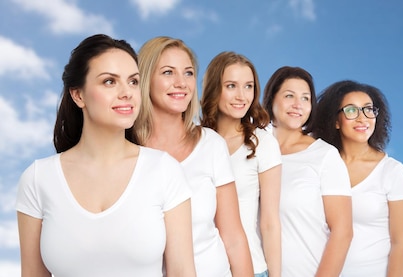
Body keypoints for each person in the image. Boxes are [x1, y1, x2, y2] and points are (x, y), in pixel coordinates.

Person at [15, 34, 196, 277]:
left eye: (133, 82)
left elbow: (182, 271)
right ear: (78, 95)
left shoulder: (164, 171)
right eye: (110, 82)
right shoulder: (38, 179)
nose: (127, 93)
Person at [135, 37, 253, 277]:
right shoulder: (126, 150)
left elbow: (234, 238)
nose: (181, 83)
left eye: (188, 73)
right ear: (145, 80)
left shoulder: (211, 145)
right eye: (168, 72)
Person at [311, 80, 403, 277]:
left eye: (368, 110)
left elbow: (401, 243)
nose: (362, 119)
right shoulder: (320, 164)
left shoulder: (392, 171)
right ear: (335, 121)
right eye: (351, 110)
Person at [261, 66, 353, 277]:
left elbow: (343, 232)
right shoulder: (254, 151)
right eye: (289, 96)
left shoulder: (324, 156)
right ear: (271, 99)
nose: (297, 105)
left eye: (305, 98)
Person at [200, 51, 282, 277]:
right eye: (231, 86)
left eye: (248, 86)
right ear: (214, 89)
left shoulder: (263, 143)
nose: (241, 96)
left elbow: (270, 223)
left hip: (251, 269)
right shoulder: (197, 141)